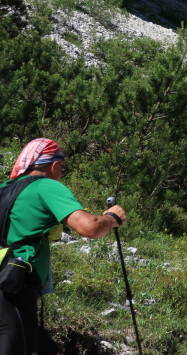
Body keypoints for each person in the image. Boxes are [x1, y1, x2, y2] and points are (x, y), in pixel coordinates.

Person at [0, 138, 128, 355]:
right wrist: (111, 218)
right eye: (62, 168)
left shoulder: (4, 188)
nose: (61, 174)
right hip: (12, 290)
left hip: (9, 285)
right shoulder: (45, 186)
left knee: (47, 349)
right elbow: (89, 227)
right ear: (53, 165)